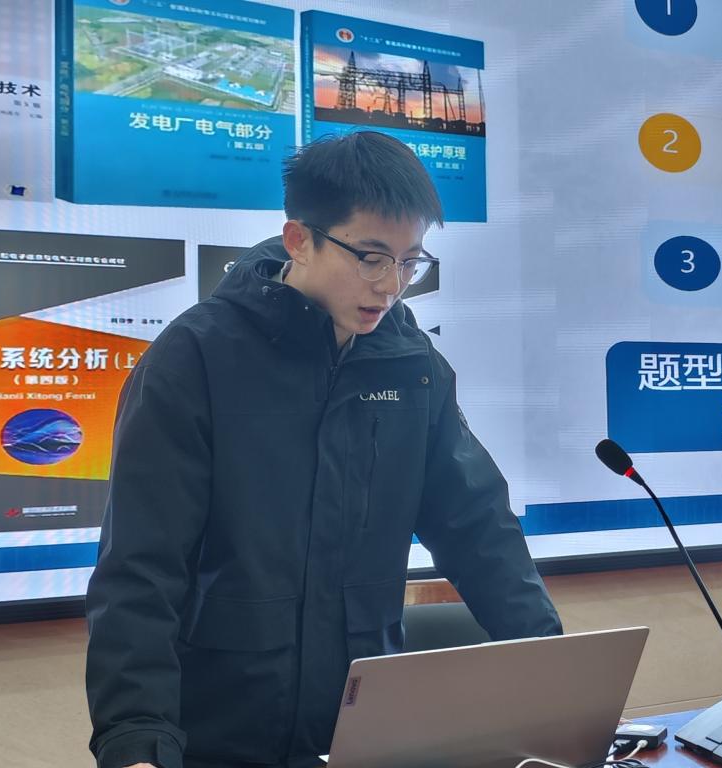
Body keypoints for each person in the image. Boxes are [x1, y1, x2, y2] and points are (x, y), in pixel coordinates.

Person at [85, 131, 562, 768]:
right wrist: (137, 740)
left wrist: (552, 675)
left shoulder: (412, 366)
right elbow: (141, 568)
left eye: (409, 262)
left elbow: (478, 528)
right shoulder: (198, 358)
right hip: (220, 734)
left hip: (364, 730)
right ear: (299, 239)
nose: (391, 285)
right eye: (371, 257)